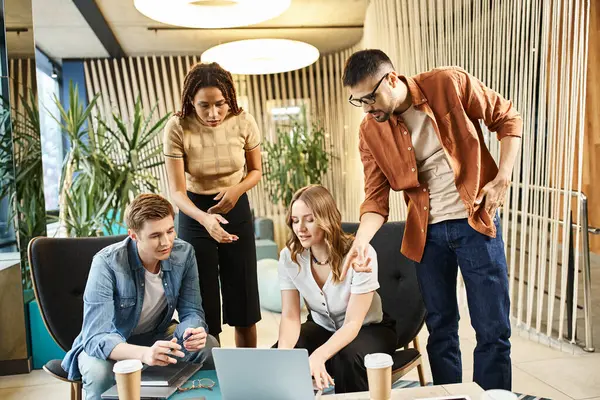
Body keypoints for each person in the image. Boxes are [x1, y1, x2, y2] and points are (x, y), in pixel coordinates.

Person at [340, 49, 522, 391]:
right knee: (441, 329)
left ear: (392, 79)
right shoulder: (370, 132)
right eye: (358, 101)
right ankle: (451, 397)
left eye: (370, 98)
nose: (366, 109)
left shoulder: (447, 83)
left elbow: (508, 118)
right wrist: (360, 241)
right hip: (426, 235)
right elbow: (376, 199)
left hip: (474, 223)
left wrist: (502, 178)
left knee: (492, 329)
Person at [61, 194, 218, 400]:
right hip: (113, 345)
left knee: (208, 346)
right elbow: (97, 337)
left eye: (170, 231)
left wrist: (192, 330)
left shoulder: (184, 253)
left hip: (158, 334)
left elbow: (192, 310)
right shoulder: (106, 263)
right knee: (100, 373)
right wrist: (143, 354)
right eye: (155, 236)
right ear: (134, 235)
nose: (166, 242)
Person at [163, 62, 262, 347]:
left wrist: (237, 190)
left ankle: (246, 375)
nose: (213, 113)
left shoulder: (244, 121)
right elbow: (177, 192)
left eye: (220, 104)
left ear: (229, 98)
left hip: (236, 206)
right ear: (190, 102)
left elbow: (255, 171)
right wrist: (204, 219)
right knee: (203, 302)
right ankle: (212, 371)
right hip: (194, 212)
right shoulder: (177, 127)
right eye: (203, 105)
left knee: (243, 301)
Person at [276, 185, 397, 394]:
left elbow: (352, 323)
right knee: (281, 356)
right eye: (295, 221)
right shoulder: (289, 257)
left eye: (309, 219)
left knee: (347, 357)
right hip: (322, 326)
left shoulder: (361, 253)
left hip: (369, 328)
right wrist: (284, 357)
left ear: (326, 219)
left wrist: (320, 355)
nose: (300, 228)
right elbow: (290, 316)